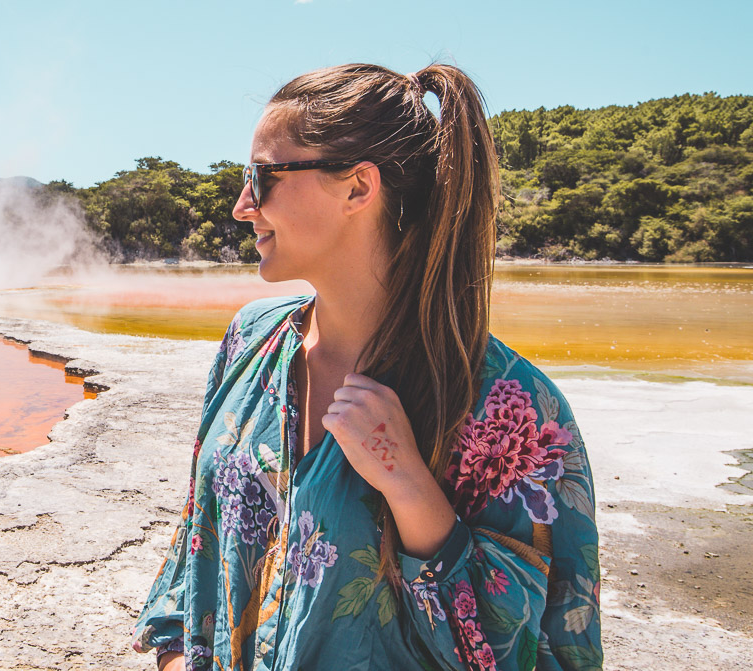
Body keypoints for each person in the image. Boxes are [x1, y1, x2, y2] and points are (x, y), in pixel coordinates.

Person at [132, 64, 602, 671]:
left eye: (262, 176)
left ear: (357, 187)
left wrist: (409, 487)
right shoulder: (250, 339)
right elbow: (196, 547)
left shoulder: (513, 408)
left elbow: (540, 649)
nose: (242, 205)